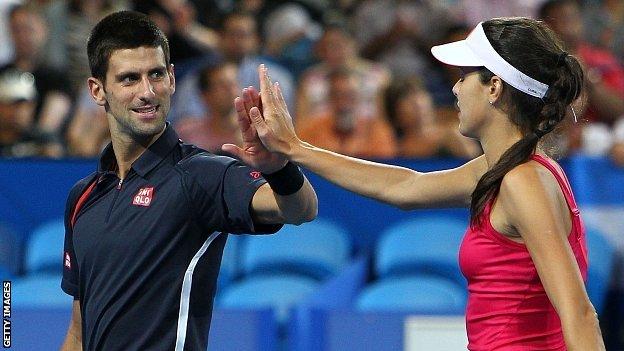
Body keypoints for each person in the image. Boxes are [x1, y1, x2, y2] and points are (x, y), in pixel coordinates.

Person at [237, 17, 606, 350]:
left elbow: (579, 314)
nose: (456, 89)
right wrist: (296, 149)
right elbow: (404, 188)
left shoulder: (523, 181)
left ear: (494, 87)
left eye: (464, 76)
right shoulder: (505, 170)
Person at [60, 11, 317, 351]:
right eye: (129, 79)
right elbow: (79, 333)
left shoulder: (201, 174)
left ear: (172, 78)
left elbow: (300, 209)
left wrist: (280, 167)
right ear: (97, 90)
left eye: (155, 75)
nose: (147, 92)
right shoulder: (82, 197)